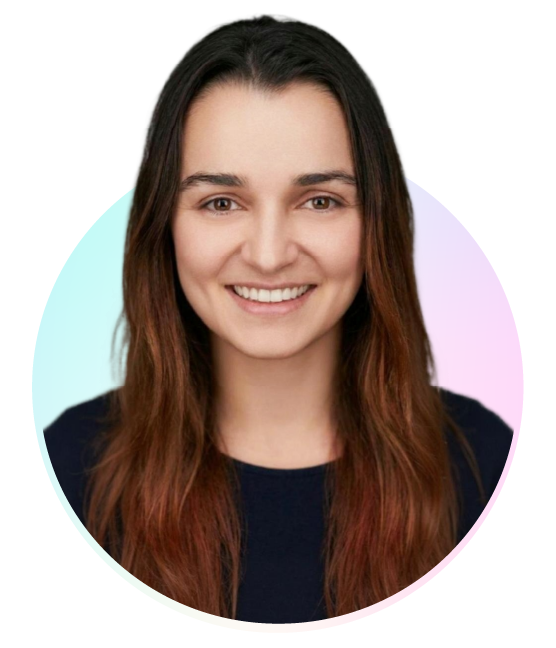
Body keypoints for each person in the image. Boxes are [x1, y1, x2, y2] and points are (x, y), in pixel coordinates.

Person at [43, 13, 514, 624]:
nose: (269, 256)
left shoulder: (489, 465)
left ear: (378, 222)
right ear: (164, 225)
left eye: (320, 201)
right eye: (221, 202)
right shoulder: (63, 468)